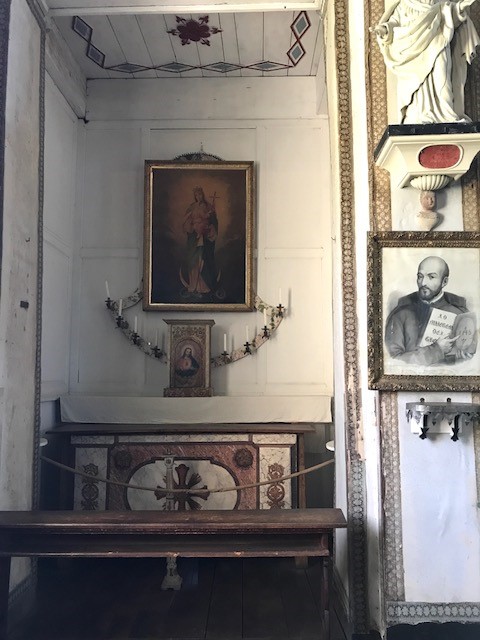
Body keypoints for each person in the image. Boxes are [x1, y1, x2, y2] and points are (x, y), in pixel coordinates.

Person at [372, 0, 480, 124]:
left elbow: (451, 15)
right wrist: (385, 29)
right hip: (414, 53)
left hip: (439, 43)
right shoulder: (405, 4)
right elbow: (394, 23)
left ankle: (447, 114)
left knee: (442, 77)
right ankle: (417, 115)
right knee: (417, 84)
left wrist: (460, 8)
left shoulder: (438, 2)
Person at [385, 256, 476, 365]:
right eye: (420, 276)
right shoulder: (401, 314)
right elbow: (393, 362)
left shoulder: (460, 314)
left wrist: (462, 359)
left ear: (444, 282)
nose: (423, 282)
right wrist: (436, 350)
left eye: (431, 277)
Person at [180, 186, 219, 295]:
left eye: (200, 194)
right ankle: (194, 286)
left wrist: (209, 226)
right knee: (193, 260)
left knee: (203, 258)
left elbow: (213, 221)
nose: (198, 196)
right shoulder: (192, 207)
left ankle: (204, 286)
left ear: (203, 195)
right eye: (196, 195)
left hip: (204, 235)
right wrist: (191, 227)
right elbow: (186, 220)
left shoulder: (208, 206)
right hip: (194, 236)